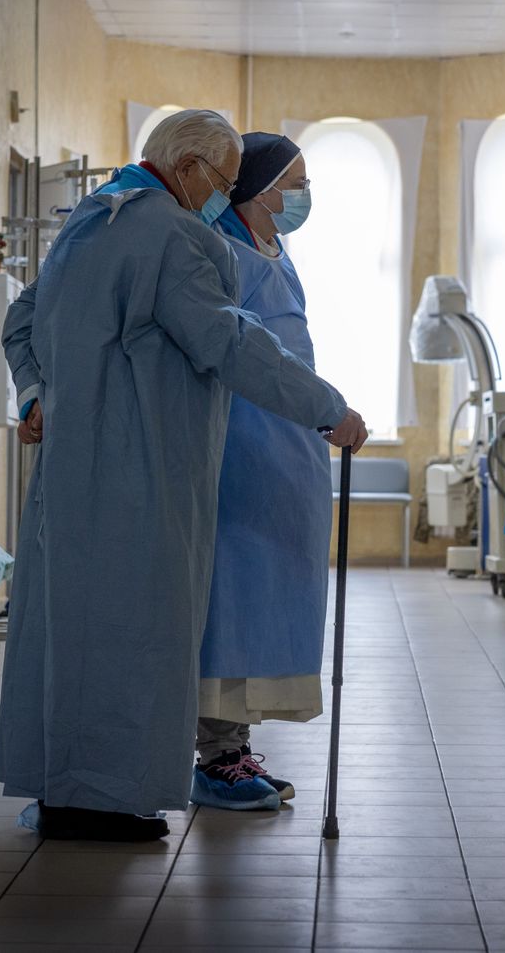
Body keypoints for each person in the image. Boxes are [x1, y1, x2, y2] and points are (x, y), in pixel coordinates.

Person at [0, 110, 368, 841]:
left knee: (70, 634)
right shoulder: (172, 235)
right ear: (189, 167)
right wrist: (328, 408)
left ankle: (66, 793)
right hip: (141, 474)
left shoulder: (88, 220)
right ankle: (102, 798)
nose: (222, 199)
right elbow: (230, 342)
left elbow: (22, 321)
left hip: (70, 475)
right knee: (135, 636)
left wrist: (35, 392)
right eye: (223, 183)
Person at [191, 133, 334, 811]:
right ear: (256, 185)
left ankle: (236, 747)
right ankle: (214, 755)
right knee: (230, 601)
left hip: (288, 448)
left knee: (268, 599)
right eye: (295, 181)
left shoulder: (277, 247)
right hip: (242, 448)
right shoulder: (219, 247)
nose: (303, 195)